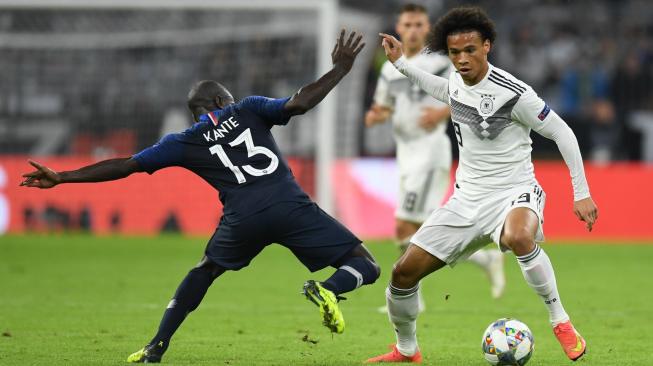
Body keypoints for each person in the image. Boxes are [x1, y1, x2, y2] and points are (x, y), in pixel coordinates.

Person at [21, 30, 379, 364]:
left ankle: (156, 345)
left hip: (243, 219)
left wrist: (63, 177)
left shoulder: (181, 141)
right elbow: (299, 104)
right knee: (365, 263)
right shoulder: (248, 108)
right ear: (223, 100)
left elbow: (125, 166)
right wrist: (339, 69)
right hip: (289, 205)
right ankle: (329, 289)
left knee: (205, 270)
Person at [366, 7, 598, 363]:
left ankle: (561, 321)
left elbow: (562, 132)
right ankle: (406, 350)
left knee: (520, 237)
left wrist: (581, 192)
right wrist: (401, 64)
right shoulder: (457, 81)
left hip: (514, 191)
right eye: (454, 52)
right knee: (402, 273)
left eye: (470, 50)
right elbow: (443, 89)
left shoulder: (515, 92)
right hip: (466, 201)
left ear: (487, 46)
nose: (461, 59)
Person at [364, 4, 505, 312]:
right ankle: (484, 258)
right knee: (419, 229)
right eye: (407, 24)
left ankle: (409, 295)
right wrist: (377, 115)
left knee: (404, 227)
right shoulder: (390, 68)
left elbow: (473, 94)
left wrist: (442, 111)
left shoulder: (442, 62)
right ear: (399, 28)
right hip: (405, 153)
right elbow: (386, 106)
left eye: (418, 25)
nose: (413, 30)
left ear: (426, 29)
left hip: (430, 151)